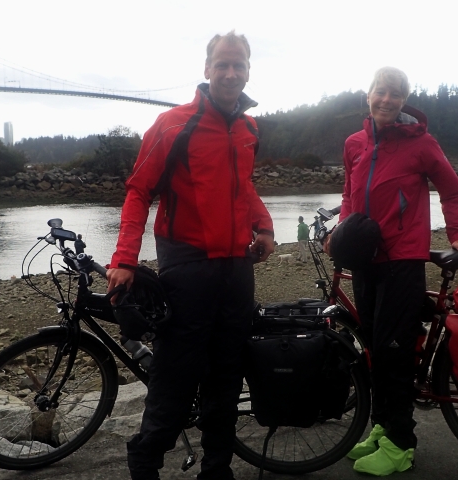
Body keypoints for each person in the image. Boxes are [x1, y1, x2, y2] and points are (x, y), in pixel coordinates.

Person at [106, 30, 274, 480]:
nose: (231, 72)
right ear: (206, 70)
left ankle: (217, 470)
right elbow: (139, 190)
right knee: (176, 375)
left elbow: (244, 187)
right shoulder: (173, 125)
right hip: (187, 266)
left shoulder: (249, 128)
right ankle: (145, 463)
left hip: (237, 269)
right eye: (222, 64)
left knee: (226, 373)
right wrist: (124, 259)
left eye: (239, 65)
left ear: (248, 70)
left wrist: (265, 226)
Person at [326, 66, 458, 477]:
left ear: (403, 100)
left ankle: (401, 445)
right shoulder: (354, 143)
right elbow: (348, 192)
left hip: (401, 261)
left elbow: (453, 190)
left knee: (394, 354)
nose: (387, 100)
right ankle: (381, 426)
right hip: (365, 261)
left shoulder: (421, 144)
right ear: (369, 95)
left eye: (396, 94)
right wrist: (343, 231)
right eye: (381, 91)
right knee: (376, 348)